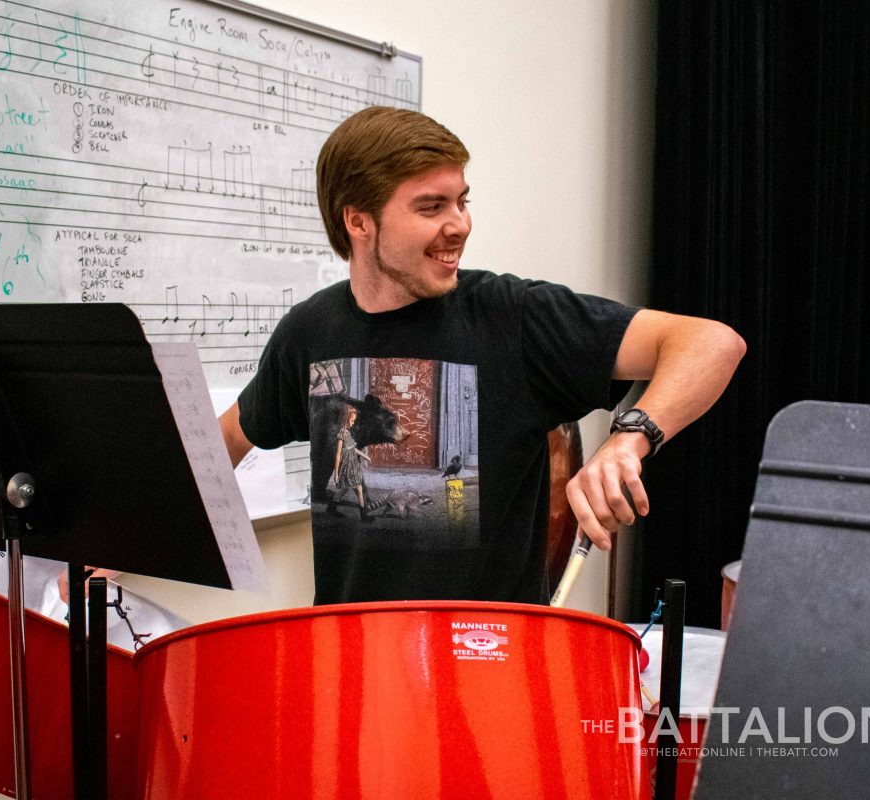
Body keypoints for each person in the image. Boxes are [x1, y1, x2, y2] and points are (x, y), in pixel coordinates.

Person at [218, 106, 745, 605]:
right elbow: (222, 444)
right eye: (431, 207)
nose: (460, 225)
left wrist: (631, 439)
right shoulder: (309, 332)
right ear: (358, 222)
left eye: (461, 201)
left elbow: (711, 343)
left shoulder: (512, 316)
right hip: (355, 667)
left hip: (490, 665)